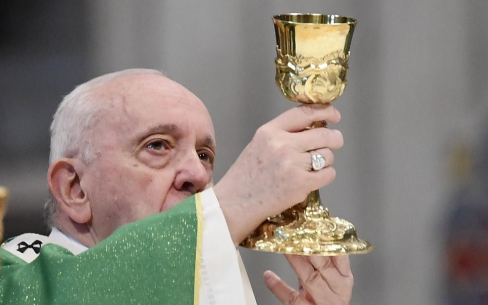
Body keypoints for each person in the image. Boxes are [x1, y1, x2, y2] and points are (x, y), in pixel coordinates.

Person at [0, 69, 353, 304]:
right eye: (157, 145)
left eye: (205, 154)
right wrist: (234, 202)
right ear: (74, 188)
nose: (198, 174)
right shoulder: (16, 281)